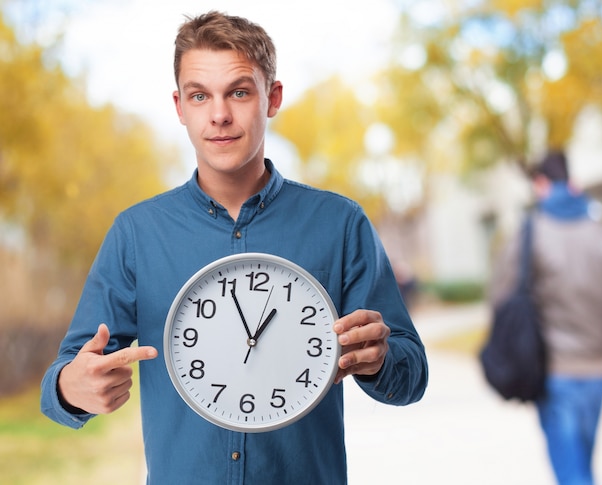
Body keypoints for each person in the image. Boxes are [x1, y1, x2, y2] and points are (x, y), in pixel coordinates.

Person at [40, 11, 428, 484]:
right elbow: (62, 380)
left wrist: (382, 359)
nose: (219, 114)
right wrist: (71, 387)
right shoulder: (137, 233)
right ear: (180, 107)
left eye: (239, 92)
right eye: (200, 95)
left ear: (273, 98)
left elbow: (412, 378)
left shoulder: (340, 224)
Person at [488, 150, 602, 485]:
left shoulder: (529, 234)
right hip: (597, 372)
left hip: (554, 372)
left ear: (541, 183)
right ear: (572, 182)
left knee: (573, 475)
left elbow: (500, 297)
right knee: (582, 468)